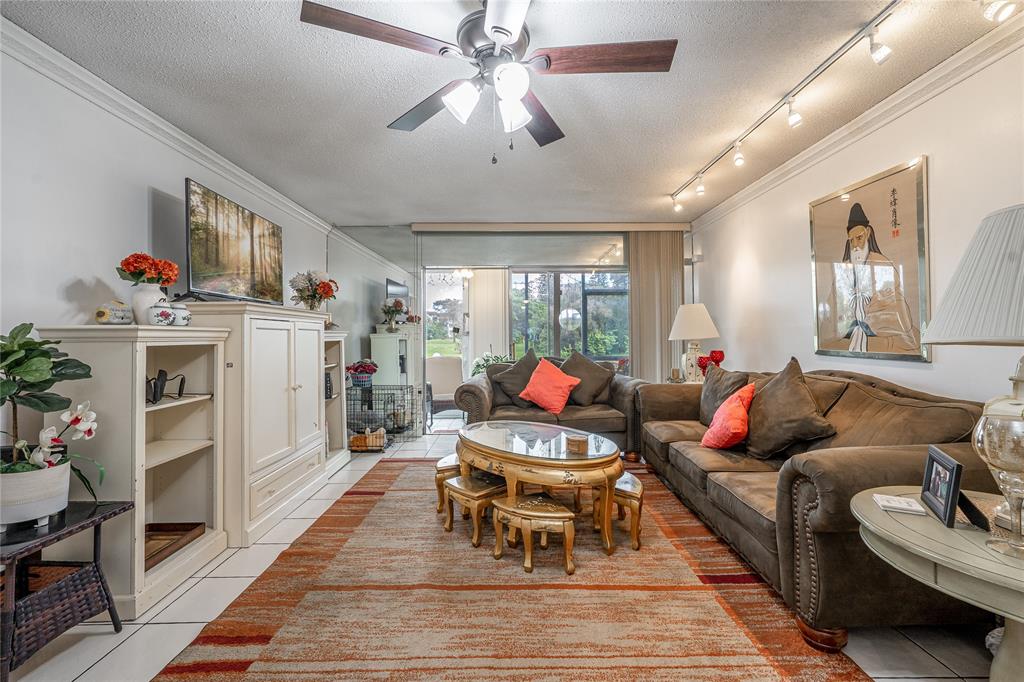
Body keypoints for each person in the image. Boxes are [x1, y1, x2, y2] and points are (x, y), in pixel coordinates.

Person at [829, 203, 918, 353]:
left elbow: (893, 305)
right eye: (851, 241)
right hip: (849, 331)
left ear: (868, 233)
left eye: (859, 238)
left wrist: (866, 323)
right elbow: (833, 304)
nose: (856, 245)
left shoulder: (882, 264)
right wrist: (846, 320)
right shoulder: (844, 269)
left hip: (878, 332)